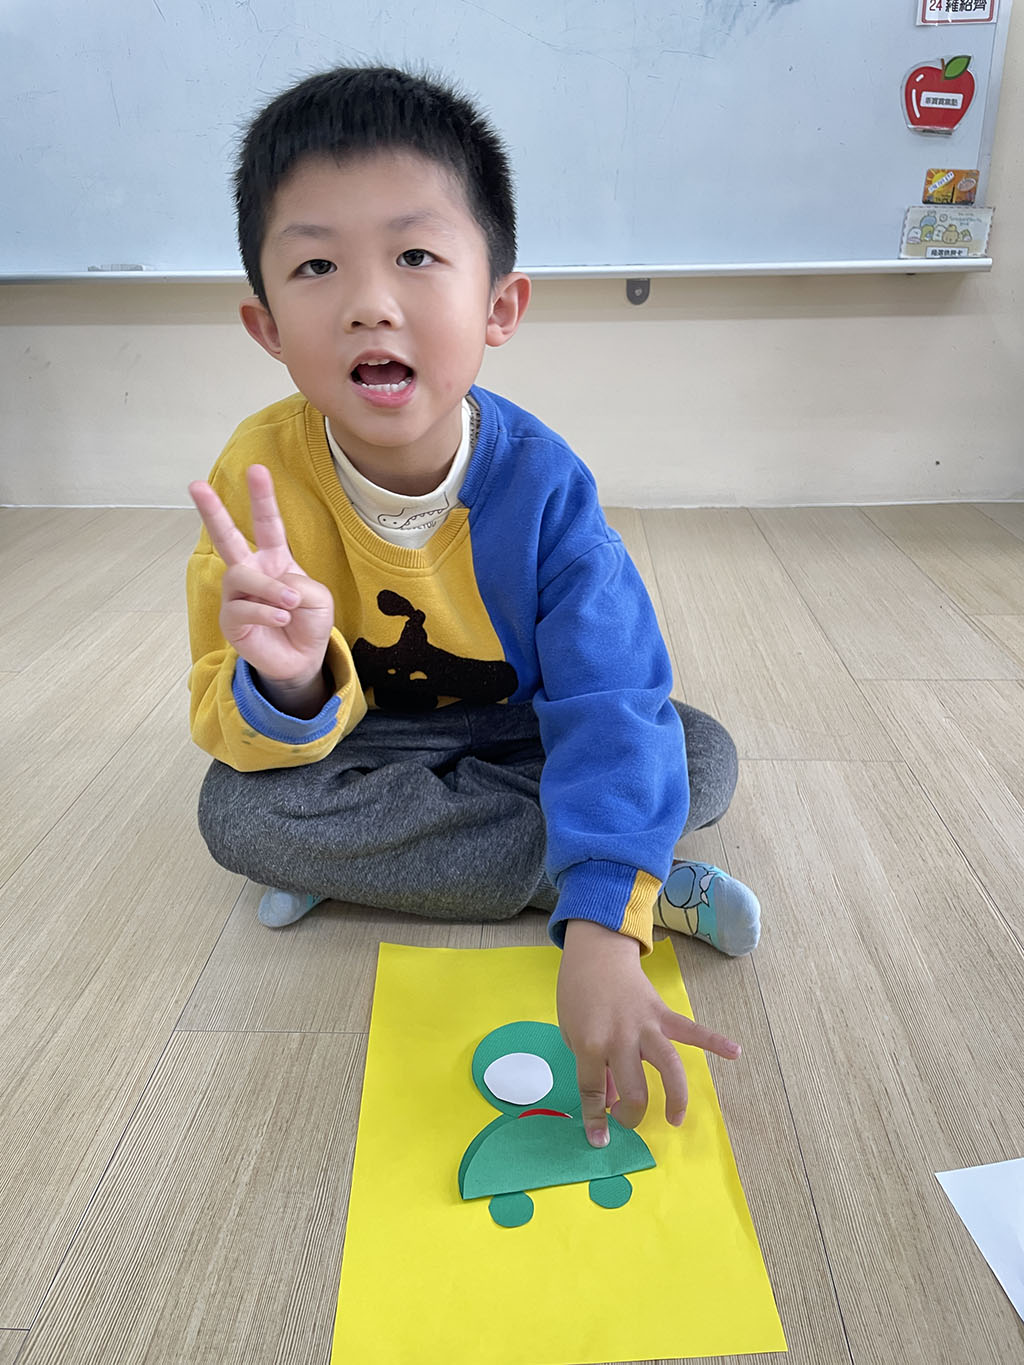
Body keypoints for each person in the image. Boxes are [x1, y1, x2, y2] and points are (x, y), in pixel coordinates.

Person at [187, 65, 761, 1150]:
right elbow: (222, 712)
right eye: (316, 265)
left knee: (697, 751)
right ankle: (624, 883)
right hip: (366, 737)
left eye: (415, 256)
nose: (369, 301)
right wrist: (290, 680)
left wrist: (600, 951)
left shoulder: (545, 484)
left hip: (519, 728)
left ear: (499, 305)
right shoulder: (255, 482)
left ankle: (479, 873)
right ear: (266, 326)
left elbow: (609, 693)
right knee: (236, 815)